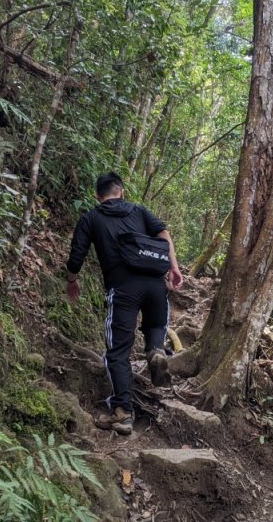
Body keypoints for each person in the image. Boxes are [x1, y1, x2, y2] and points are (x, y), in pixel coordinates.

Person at [64, 172, 184, 435]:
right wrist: (174, 268)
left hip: (123, 289)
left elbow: (76, 256)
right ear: (122, 192)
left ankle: (123, 412)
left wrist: (72, 279)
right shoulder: (139, 211)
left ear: (98, 196)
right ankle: (155, 352)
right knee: (155, 329)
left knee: (118, 351)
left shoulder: (91, 217)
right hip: (155, 284)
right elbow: (164, 234)